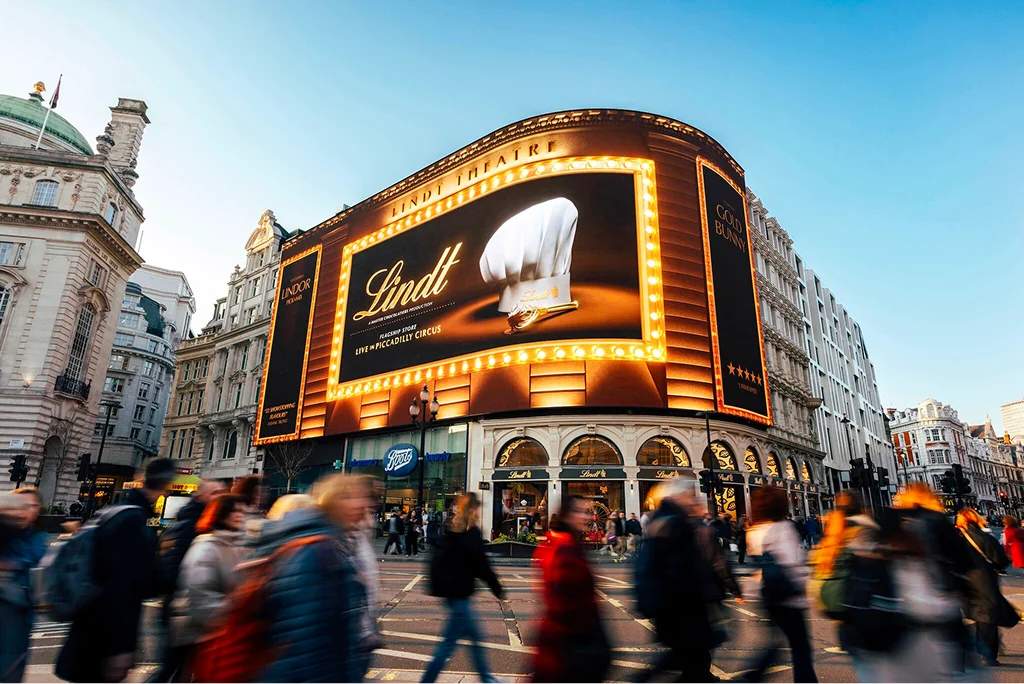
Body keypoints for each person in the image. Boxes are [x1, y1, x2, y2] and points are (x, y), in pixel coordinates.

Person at [56, 458, 177, 684]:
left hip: (93, 626)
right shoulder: (133, 519)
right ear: (166, 484)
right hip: (101, 637)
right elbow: (121, 587)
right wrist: (119, 649)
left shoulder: (120, 511)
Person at [252, 473, 372, 682]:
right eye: (352, 496)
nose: (365, 503)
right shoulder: (318, 550)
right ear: (333, 501)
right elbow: (307, 640)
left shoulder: (337, 545)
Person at [845, 508, 961, 683]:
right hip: (908, 647)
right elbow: (924, 606)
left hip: (872, 648)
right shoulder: (904, 557)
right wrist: (950, 603)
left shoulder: (862, 557)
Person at [633, 480, 717, 684]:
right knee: (694, 663)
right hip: (684, 609)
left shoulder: (660, 520)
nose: (694, 499)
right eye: (689, 494)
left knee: (689, 661)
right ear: (676, 496)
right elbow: (684, 570)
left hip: (671, 609)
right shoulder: (677, 523)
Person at [150, 479, 226, 684]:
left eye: (221, 492)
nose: (220, 496)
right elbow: (174, 572)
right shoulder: (191, 527)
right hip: (182, 611)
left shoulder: (202, 523)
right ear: (201, 496)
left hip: (189, 610)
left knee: (182, 668)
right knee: (173, 666)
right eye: (215, 492)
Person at [422, 493, 504, 684]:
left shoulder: (454, 528)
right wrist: (497, 588)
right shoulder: (470, 532)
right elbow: (482, 565)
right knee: (448, 646)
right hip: (459, 596)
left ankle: (486, 678)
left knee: (475, 640)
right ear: (474, 509)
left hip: (453, 594)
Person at [740, 486, 818, 684]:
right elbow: (791, 562)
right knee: (800, 647)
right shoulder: (784, 528)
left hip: (768, 594)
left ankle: (752, 676)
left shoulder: (754, 531)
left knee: (776, 643)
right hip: (789, 595)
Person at [169, 494, 245, 682]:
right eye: (234, 511)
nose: (240, 515)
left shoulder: (234, 545)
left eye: (241, 511)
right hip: (198, 634)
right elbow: (199, 592)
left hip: (216, 633)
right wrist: (233, 615)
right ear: (220, 514)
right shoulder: (207, 546)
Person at [535, 496, 610, 684]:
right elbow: (564, 601)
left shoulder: (566, 545)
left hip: (569, 641)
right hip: (570, 643)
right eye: (579, 512)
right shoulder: (564, 550)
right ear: (567, 516)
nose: (586, 517)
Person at [0, 488, 47, 684]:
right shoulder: (5, 533)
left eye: (33, 505)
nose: (27, 511)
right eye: (23, 505)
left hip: (22, 617)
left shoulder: (37, 538)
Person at [957, 507, 1014, 666]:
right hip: (983, 580)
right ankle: (988, 652)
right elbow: (1001, 559)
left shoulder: (956, 539)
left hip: (963, 581)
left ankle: (976, 647)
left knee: (975, 614)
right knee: (987, 616)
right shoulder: (984, 537)